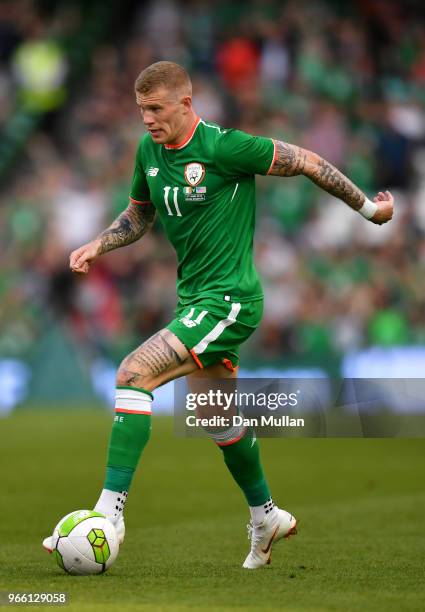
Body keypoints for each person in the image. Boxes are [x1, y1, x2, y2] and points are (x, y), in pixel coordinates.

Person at [42, 61, 393, 569]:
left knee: (132, 374)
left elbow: (308, 161)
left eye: (157, 110)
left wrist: (368, 211)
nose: (147, 120)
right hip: (195, 300)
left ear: (186, 104)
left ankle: (108, 513)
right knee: (214, 415)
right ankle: (266, 515)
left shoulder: (225, 147)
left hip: (230, 301)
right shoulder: (148, 151)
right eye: (142, 110)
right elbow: (140, 213)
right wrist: (100, 243)